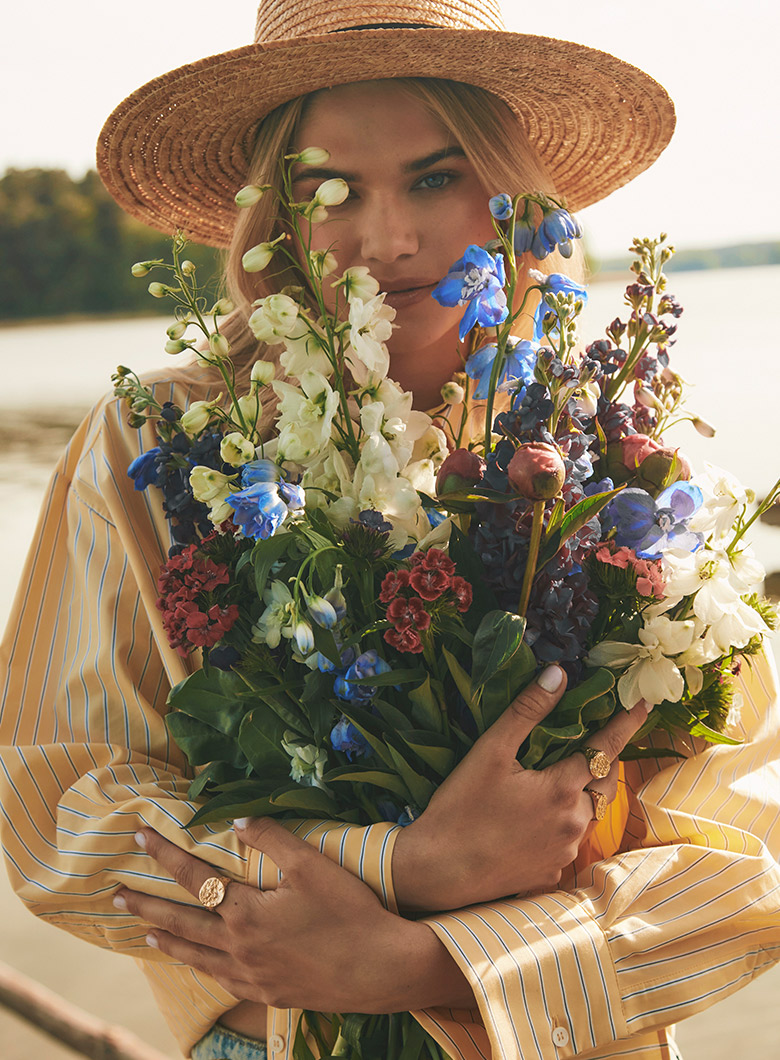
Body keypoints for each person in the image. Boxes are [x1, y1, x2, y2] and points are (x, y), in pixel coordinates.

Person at [1, 2, 779, 1060]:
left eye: (434, 176)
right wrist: (397, 868)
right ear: (273, 212)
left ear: (511, 190)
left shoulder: (627, 460)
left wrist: (439, 966)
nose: (390, 238)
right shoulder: (162, 437)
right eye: (332, 189)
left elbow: (741, 861)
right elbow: (57, 799)